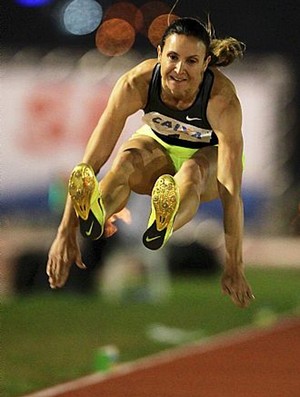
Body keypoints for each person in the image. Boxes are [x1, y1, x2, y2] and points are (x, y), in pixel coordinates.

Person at [47, 17, 255, 308]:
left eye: (191, 61)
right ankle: (97, 213)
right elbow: (90, 163)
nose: (179, 70)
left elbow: (231, 193)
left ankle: (165, 220)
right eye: (172, 57)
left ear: (206, 63)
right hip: (159, 146)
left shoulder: (222, 100)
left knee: (192, 171)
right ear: (159, 54)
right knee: (126, 160)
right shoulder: (137, 82)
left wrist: (234, 264)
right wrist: (65, 231)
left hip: (208, 157)